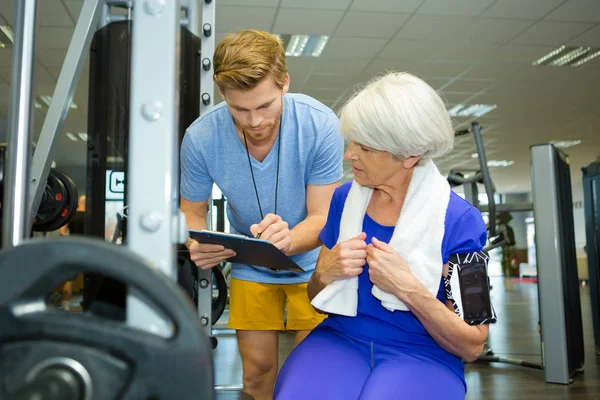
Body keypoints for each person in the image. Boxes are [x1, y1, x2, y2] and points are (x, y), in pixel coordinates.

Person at [274, 72, 495, 400]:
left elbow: (473, 342)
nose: (350, 154)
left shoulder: (461, 222)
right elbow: (316, 294)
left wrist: (407, 289)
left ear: (409, 155)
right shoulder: (343, 200)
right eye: (351, 142)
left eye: (365, 147)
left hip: (423, 353)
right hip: (341, 338)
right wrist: (323, 273)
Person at [179, 30, 344, 400]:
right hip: (250, 261)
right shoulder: (201, 137)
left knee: (308, 376)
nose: (254, 121)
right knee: (256, 375)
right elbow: (192, 210)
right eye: (240, 109)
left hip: (316, 263)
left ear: (285, 83)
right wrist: (196, 240)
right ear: (223, 95)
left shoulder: (320, 125)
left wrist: (288, 239)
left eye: (265, 105)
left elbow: (322, 217)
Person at [58, 195, 86, 310]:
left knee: (69, 279)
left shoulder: (71, 215)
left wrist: (71, 237)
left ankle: (66, 304)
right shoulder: (91, 216)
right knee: (91, 277)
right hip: (88, 249)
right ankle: (88, 303)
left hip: (74, 249)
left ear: (78, 204)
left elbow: (62, 232)